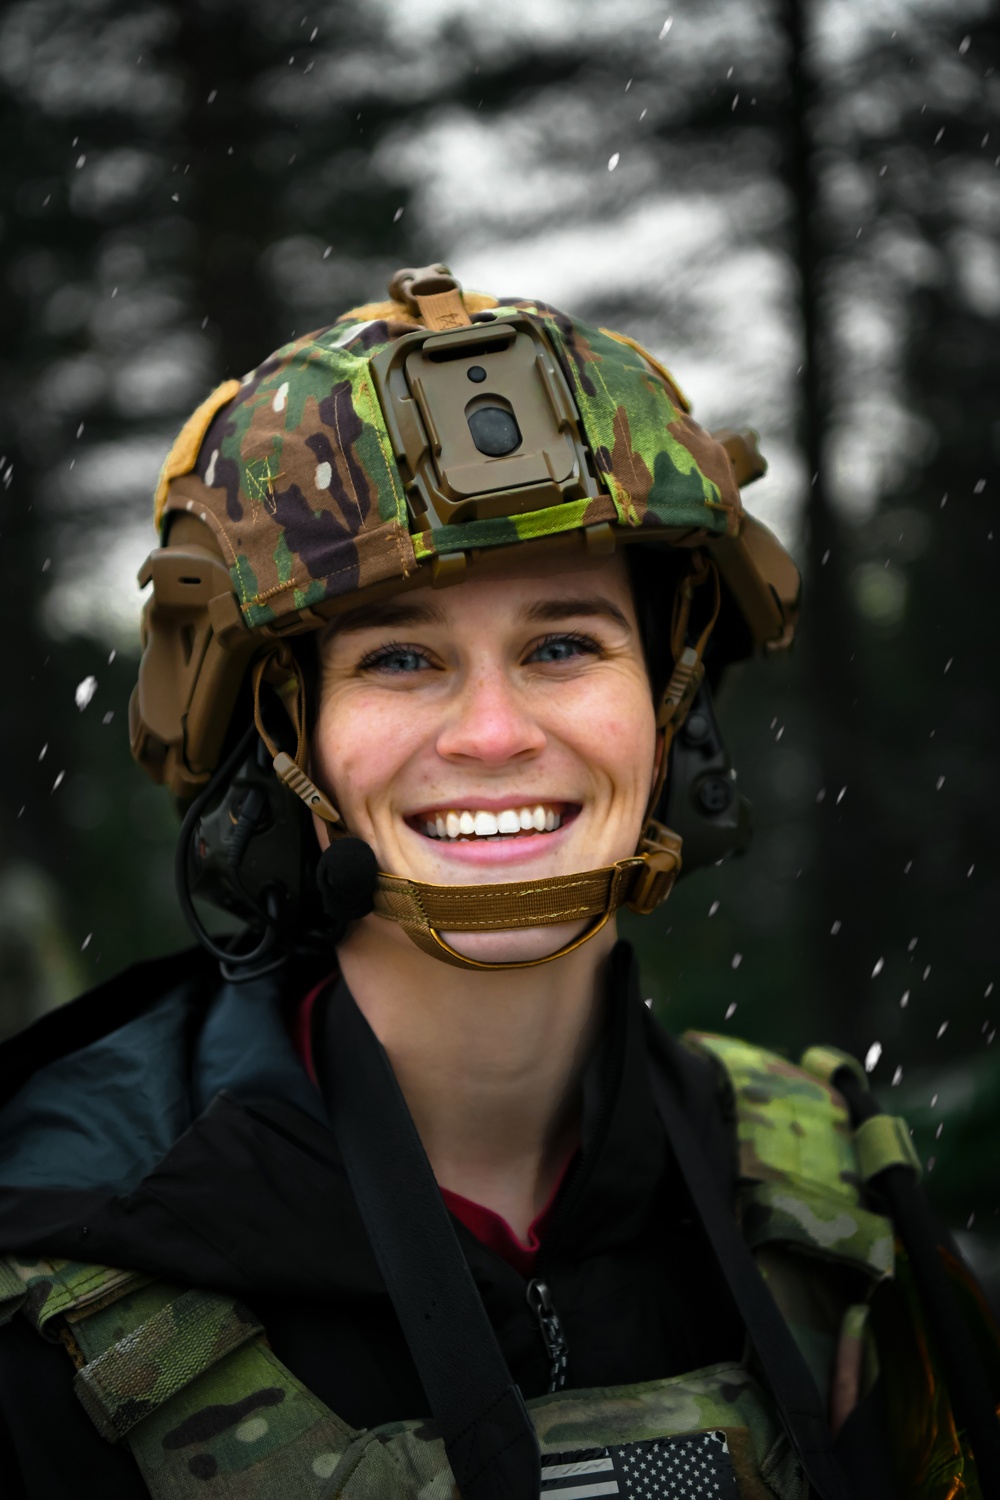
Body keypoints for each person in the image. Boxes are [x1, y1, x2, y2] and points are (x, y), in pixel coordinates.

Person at [0, 265, 996, 1499]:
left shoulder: (829, 1208)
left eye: (564, 644)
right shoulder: (58, 1270)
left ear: (667, 710)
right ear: (279, 748)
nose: (489, 732)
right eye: (403, 656)